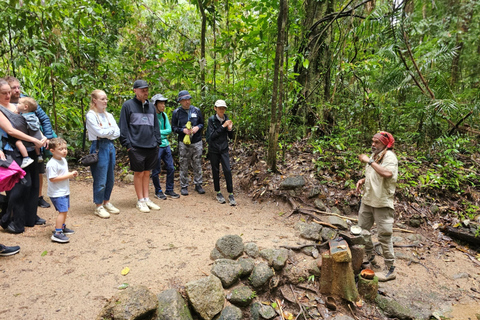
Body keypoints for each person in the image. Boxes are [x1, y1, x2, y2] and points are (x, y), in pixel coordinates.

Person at [0, 79, 47, 234]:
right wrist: (34, 140)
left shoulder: (16, 106)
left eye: (9, 92)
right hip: (13, 149)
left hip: (30, 148)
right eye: (4, 93)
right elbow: (11, 131)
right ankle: (11, 219)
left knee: (33, 184)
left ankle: (30, 217)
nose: (9, 95)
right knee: (21, 184)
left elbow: (32, 124)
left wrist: (42, 137)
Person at [6, 76, 54, 208]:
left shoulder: (26, 100)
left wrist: (47, 137)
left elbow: (44, 119)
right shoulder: (5, 104)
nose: (17, 90)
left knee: (38, 172)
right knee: (19, 178)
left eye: (18, 87)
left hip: (35, 143)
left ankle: (37, 198)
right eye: (13, 88)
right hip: (15, 145)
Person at [356, 131, 398, 282]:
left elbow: (387, 173)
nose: (373, 144)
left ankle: (390, 269)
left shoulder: (389, 157)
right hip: (368, 200)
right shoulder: (375, 155)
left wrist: (368, 161)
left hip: (381, 202)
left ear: (386, 144)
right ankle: (370, 257)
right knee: (361, 230)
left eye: (377, 142)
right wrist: (363, 180)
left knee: (384, 236)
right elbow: (375, 174)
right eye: (372, 141)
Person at [119, 80, 161, 213]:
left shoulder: (151, 107)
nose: (146, 92)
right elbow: (123, 127)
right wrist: (128, 145)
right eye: (143, 90)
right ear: (135, 90)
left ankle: (146, 198)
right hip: (136, 146)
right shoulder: (128, 106)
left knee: (147, 172)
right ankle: (140, 200)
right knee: (139, 173)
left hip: (151, 146)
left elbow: (156, 126)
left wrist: (157, 142)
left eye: (147, 90)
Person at [86, 90, 121, 218]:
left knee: (110, 177)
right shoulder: (91, 115)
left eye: (106, 99)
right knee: (100, 178)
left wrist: (107, 131)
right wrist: (109, 131)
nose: (105, 101)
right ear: (95, 100)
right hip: (99, 147)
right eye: (102, 99)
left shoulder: (109, 115)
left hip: (110, 146)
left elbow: (117, 132)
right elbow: (99, 133)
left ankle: (107, 201)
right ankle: (98, 205)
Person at [171, 90, 205, 196]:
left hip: (197, 141)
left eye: (188, 99)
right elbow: (173, 127)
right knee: (184, 163)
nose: (187, 102)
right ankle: (184, 186)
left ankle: (198, 184)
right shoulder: (177, 112)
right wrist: (182, 130)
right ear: (180, 101)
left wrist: (197, 128)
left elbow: (202, 124)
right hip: (183, 142)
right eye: (184, 100)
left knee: (197, 163)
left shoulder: (196, 110)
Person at [46, 138, 78, 243]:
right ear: (52, 151)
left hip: (64, 190)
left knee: (65, 209)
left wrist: (71, 174)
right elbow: (53, 178)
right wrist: (68, 176)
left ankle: (62, 227)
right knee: (62, 211)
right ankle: (57, 233)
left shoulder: (63, 160)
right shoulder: (51, 164)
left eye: (65, 148)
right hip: (57, 193)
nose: (64, 151)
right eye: (60, 149)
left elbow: (63, 173)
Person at [150, 93, 180, 200]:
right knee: (156, 170)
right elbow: (151, 132)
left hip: (166, 145)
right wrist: (159, 133)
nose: (163, 106)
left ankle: (169, 189)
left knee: (171, 168)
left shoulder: (164, 115)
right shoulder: (151, 116)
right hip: (156, 146)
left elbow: (169, 130)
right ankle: (158, 191)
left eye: (164, 103)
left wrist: (158, 133)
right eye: (161, 103)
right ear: (155, 104)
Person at [206, 100, 236, 206]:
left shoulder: (227, 119)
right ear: (215, 108)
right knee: (215, 170)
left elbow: (231, 137)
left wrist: (230, 129)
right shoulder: (211, 120)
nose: (221, 110)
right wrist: (223, 127)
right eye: (219, 108)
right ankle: (218, 192)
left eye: (223, 108)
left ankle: (231, 193)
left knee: (227, 169)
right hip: (213, 149)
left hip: (223, 148)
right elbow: (212, 136)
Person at [15, 97, 46, 168]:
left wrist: (16, 114)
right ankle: (39, 155)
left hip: (31, 140)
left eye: (19, 103)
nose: (17, 105)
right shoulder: (33, 115)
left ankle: (26, 157)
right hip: (38, 137)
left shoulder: (24, 117)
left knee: (18, 142)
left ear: (25, 107)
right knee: (36, 144)